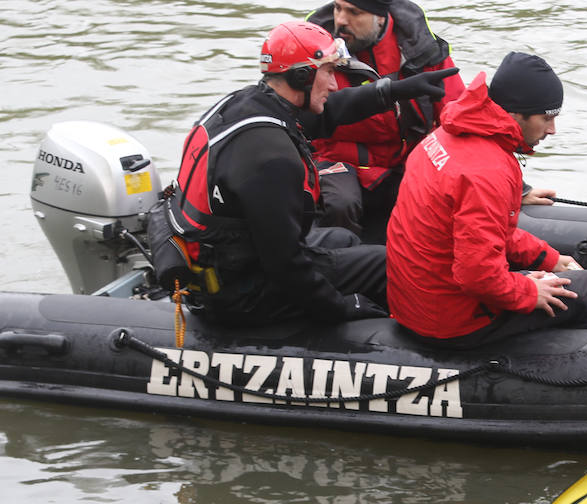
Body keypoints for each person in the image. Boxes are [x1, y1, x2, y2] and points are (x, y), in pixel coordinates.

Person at [161, 20, 443, 326]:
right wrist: (343, 308)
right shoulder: (271, 160)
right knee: (386, 263)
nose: (335, 84)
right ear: (302, 76)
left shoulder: (243, 104)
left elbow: (327, 113)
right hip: (241, 295)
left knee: (344, 238)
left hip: (230, 260)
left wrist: (392, 91)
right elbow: (286, 266)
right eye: (329, 72)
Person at [386, 52, 587, 349]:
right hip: (452, 322)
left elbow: (488, 233)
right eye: (546, 118)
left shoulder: (444, 136)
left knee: (552, 275)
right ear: (517, 114)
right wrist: (530, 291)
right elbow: (477, 276)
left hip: (416, 305)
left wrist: (549, 258)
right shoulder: (488, 170)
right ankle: (566, 370)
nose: (552, 129)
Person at [305, 0, 466, 238]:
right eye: (337, 8)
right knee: (340, 204)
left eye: (354, 12)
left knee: (440, 200)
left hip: (404, 160)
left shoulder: (420, 48)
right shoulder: (315, 49)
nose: (340, 20)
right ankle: (346, 270)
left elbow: (460, 113)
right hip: (335, 159)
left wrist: (517, 187)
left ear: (381, 18)